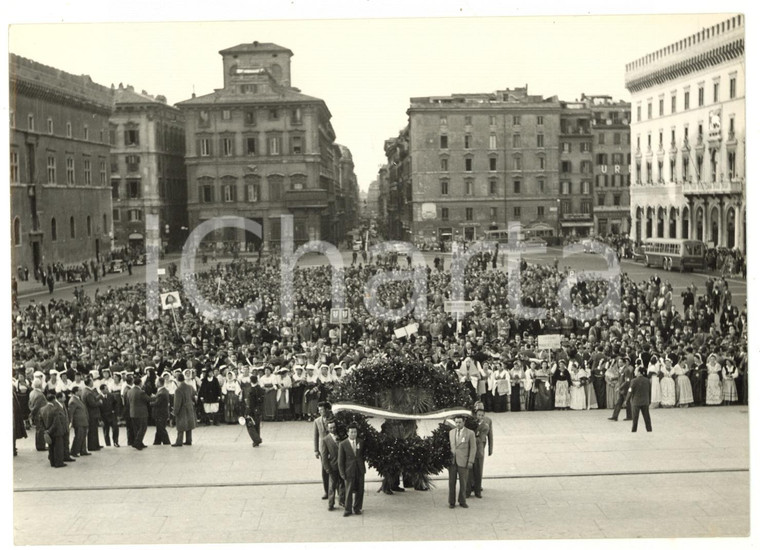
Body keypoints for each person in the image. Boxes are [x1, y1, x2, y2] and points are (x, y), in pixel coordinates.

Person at [448, 414, 476, 509]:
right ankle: (451, 501)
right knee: (451, 483)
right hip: (452, 462)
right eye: (456, 422)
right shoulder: (451, 432)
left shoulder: (470, 433)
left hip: (463, 461)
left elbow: (473, 448)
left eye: (460, 422)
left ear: (464, 422)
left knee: (463, 483)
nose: (458, 424)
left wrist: (470, 461)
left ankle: (462, 501)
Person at [338, 422, 366, 517]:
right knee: (349, 490)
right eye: (351, 432)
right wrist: (342, 473)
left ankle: (357, 508)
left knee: (360, 490)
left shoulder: (360, 442)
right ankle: (348, 509)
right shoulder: (343, 444)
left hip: (359, 470)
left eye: (355, 432)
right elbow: (340, 460)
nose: (353, 434)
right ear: (348, 433)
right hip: (349, 471)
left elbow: (362, 456)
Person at [320, 418, 345, 511]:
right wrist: (327, 468)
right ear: (327, 428)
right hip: (333, 466)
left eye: (334, 427)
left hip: (342, 466)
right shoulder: (325, 440)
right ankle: (331, 503)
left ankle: (342, 501)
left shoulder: (341, 436)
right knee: (332, 486)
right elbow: (324, 456)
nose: (333, 429)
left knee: (342, 484)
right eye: (331, 428)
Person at [468, 408, 493, 499]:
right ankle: (468, 489)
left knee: (478, 471)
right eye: (479, 415)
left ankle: (477, 491)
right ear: (476, 415)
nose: (480, 417)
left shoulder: (485, 425)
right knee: (470, 471)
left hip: (479, 450)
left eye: (482, 415)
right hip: (471, 450)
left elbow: (481, 438)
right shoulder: (471, 423)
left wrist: (474, 437)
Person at [40, 393, 67, 468]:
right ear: (54, 400)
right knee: (58, 448)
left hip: (47, 431)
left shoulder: (42, 409)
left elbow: (40, 422)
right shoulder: (55, 409)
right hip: (56, 431)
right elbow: (56, 423)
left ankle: (52, 462)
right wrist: (50, 430)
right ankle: (59, 463)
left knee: (50, 447)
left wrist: (46, 431)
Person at [313, 401, 333, 500]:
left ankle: (335, 489)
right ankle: (326, 491)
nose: (320, 411)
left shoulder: (333, 419)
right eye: (319, 410)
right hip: (323, 449)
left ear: (327, 410)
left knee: (335, 468)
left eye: (322, 409)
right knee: (325, 469)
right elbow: (315, 436)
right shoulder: (317, 421)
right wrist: (316, 450)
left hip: (333, 448)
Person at [172, 372, 197, 447]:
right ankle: (188, 440)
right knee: (189, 424)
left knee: (180, 426)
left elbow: (177, 403)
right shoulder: (190, 387)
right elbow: (194, 394)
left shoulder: (178, 390)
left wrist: (175, 412)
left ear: (177, 380)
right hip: (189, 408)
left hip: (182, 409)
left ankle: (179, 441)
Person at [627, 368, 652, 433]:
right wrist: (649, 400)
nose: (634, 372)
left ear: (639, 372)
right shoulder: (647, 380)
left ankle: (634, 430)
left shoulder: (633, 381)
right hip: (645, 401)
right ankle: (649, 430)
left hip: (636, 402)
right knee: (647, 418)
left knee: (635, 418)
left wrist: (627, 399)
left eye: (636, 371)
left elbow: (630, 391)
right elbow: (649, 391)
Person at [127, 377, 150, 450]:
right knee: (143, 428)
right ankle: (137, 443)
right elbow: (148, 399)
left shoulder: (129, 391)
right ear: (140, 383)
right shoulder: (141, 392)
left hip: (133, 413)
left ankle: (139, 442)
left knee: (136, 429)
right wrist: (155, 396)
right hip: (141, 413)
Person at [81, 377, 103, 452]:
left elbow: (93, 400)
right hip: (92, 413)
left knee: (94, 430)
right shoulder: (88, 392)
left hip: (90, 413)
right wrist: (99, 403)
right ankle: (93, 446)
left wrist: (99, 396)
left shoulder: (86, 390)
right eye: (92, 381)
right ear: (89, 382)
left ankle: (96, 444)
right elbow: (92, 403)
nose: (93, 382)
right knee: (93, 430)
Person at [67, 386, 89, 457]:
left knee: (83, 436)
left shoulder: (78, 399)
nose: (81, 392)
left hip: (83, 420)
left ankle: (83, 450)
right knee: (79, 436)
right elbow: (71, 413)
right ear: (76, 392)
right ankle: (74, 451)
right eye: (80, 390)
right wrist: (71, 422)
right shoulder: (73, 400)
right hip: (78, 422)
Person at [29, 379, 48, 452]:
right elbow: (38, 406)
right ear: (40, 385)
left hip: (36, 414)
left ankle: (39, 445)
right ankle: (41, 446)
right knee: (41, 430)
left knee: (38, 430)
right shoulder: (40, 395)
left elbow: (30, 403)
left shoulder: (32, 393)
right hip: (40, 414)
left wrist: (31, 412)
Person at [152, 376, 171, 445]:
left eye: (156, 382)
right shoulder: (163, 391)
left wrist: (150, 402)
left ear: (159, 383)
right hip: (162, 413)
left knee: (161, 429)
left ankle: (167, 442)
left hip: (160, 414)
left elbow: (157, 403)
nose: (155, 383)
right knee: (159, 428)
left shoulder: (161, 393)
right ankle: (157, 442)